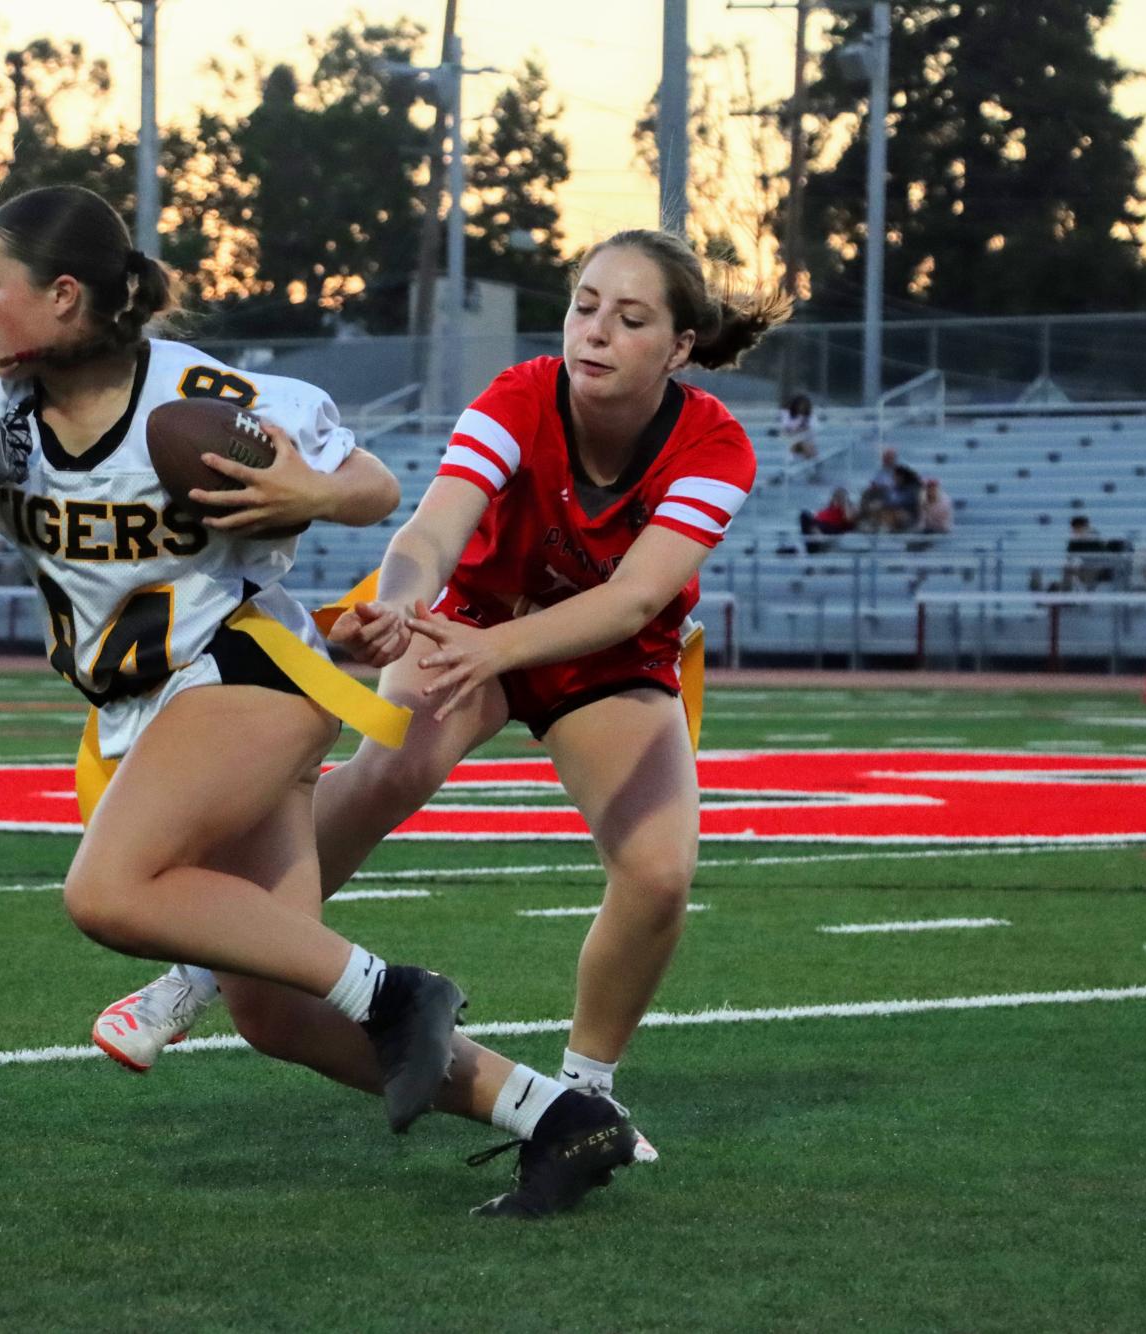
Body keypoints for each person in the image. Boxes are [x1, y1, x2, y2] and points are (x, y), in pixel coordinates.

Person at [0, 184, 630, 1219]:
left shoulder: (192, 393)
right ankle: (552, 1115)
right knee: (278, 1012)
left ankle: (397, 989)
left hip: (250, 668)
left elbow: (368, 481)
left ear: (63, 295)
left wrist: (314, 496)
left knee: (105, 891)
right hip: (142, 707)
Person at [94, 227, 788, 1189]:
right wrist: (401, 603)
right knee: (392, 767)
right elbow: (429, 529)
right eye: (585, 304)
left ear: (676, 348)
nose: (594, 332)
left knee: (660, 873)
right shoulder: (519, 393)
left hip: (604, 654)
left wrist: (491, 648)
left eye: (629, 319)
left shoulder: (715, 441)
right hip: (477, 619)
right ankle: (201, 971)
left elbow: (632, 599)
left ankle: (590, 1092)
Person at [798, 485, 855, 553]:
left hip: (832, 528)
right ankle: (817, 536)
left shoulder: (848, 507)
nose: (838, 498)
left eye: (841, 496)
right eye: (836, 496)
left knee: (815, 525)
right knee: (804, 514)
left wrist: (845, 503)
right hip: (817, 527)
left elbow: (850, 519)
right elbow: (818, 516)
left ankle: (818, 538)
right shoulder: (829, 508)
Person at [779, 393, 819, 462]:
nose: (801, 407)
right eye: (800, 405)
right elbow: (786, 428)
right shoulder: (787, 415)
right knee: (796, 442)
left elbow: (813, 429)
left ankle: (812, 463)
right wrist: (797, 430)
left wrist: (800, 430)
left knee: (805, 444)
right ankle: (791, 461)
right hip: (791, 440)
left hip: (806, 440)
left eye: (804, 405)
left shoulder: (811, 416)